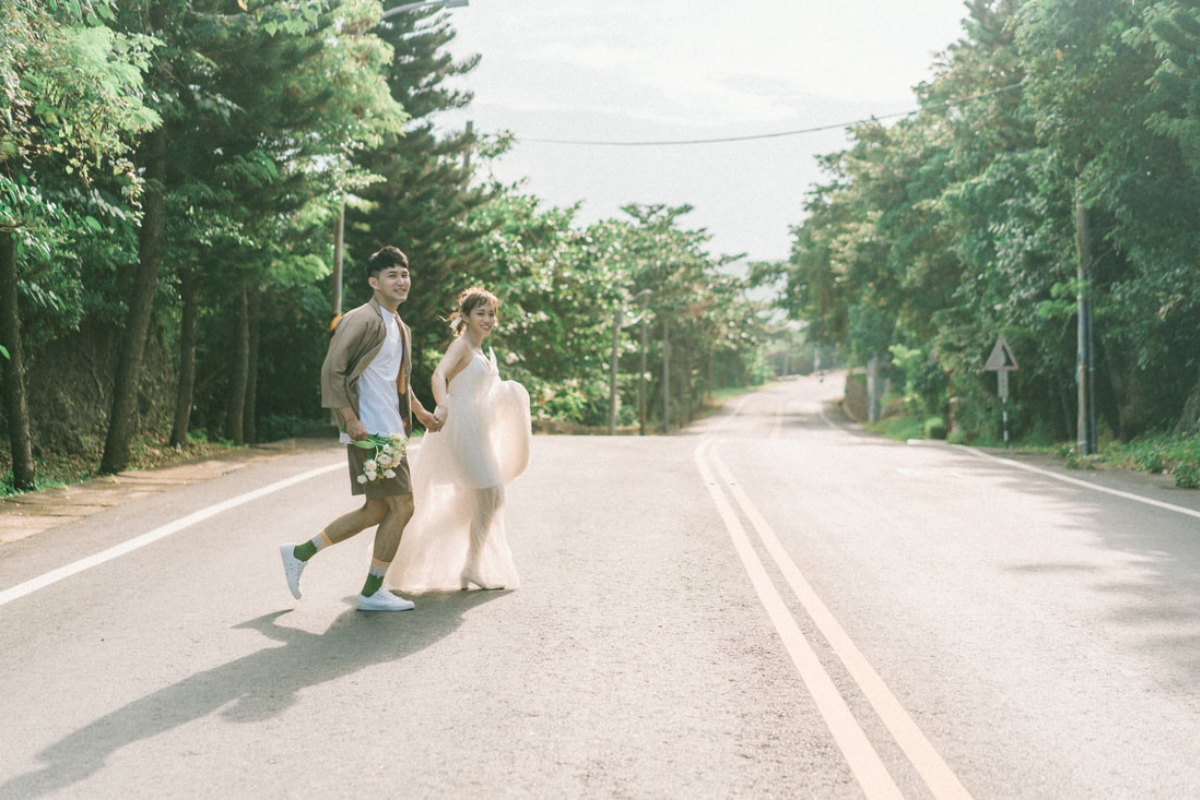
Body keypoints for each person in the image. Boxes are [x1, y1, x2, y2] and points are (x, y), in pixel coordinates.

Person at [279, 245, 440, 611]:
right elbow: (331, 370)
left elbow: (400, 380)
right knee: (403, 506)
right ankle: (371, 593)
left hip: (390, 432)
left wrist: (422, 413)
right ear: (374, 282)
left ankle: (299, 553)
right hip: (371, 433)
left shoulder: (400, 326)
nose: (401, 281)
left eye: (405, 275)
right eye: (392, 276)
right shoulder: (362, 319)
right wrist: (350, 419)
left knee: (377, 511)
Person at [387, 287, 531, 593]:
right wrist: (441, 405)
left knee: (482, 499)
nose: (488, 319)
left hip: (476, 428)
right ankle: (456, 561)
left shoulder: (479, 351)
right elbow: (439, 374)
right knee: (489, 492)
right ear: (464, 317)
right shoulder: (462, 345)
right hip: (459, 424)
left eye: (491, 313)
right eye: (481, 313)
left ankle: (464, 563)